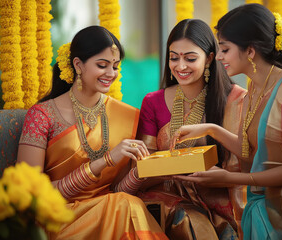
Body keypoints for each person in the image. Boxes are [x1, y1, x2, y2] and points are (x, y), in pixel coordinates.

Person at [172, 4, 282, 240]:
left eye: (225, 49)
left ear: (250, 51)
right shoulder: (254, 90)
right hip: (270, 210)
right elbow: (250, 154)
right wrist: (212, 129)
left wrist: (231, 179)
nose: (218, 57)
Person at [16, 25, 168, 240]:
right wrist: (104, 161)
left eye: (115, 66)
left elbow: (117, 191)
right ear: (78, 64)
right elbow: (30, 195)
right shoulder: (42, 115)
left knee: (126, 203)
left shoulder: (125, 115)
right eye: (102, 65)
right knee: (125, 206)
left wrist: (142, 171)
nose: (111, 74)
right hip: (58, 218)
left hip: (109, 211)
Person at [116, 19, 246, 239]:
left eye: (190, 58)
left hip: (224, 198)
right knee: (185, 219)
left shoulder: (236, 100)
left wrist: (222, 178)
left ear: (210, 59)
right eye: (174, 58)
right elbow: (142, 165)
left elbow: (250, 161)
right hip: (168, 200)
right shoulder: (153, 102)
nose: (180, 66)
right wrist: (171, 169)